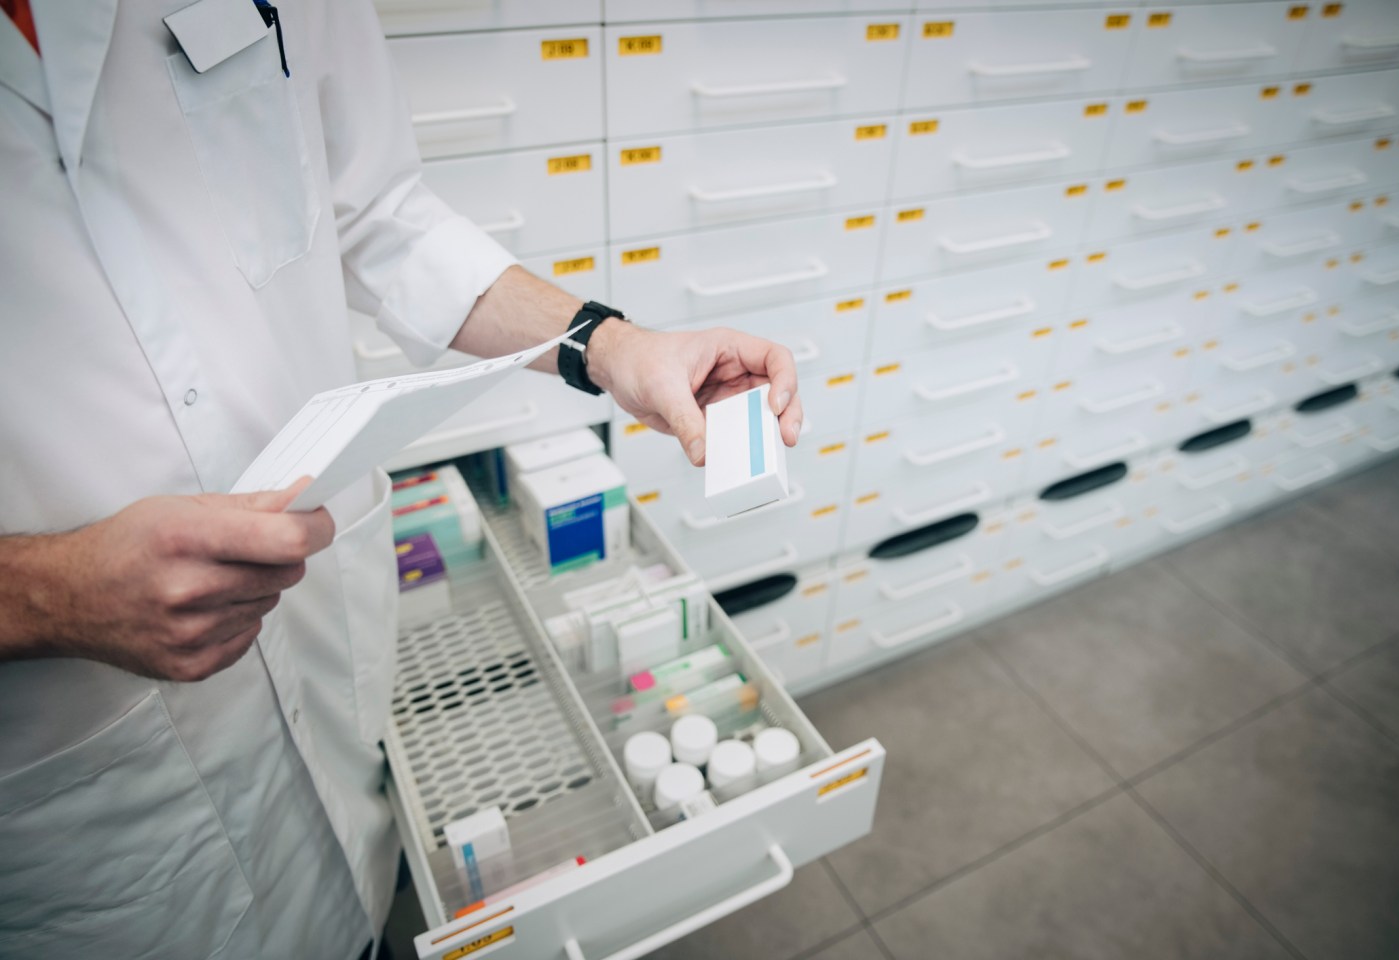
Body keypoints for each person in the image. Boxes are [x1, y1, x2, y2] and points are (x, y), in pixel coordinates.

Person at [0, 2, 804, 957]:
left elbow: (376, 213)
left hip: (320, 639)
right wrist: (40, 594)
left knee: (362, 900)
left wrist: (612, 345)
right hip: (74, 764)